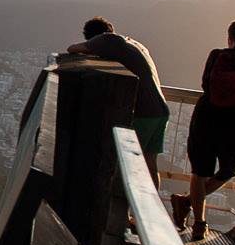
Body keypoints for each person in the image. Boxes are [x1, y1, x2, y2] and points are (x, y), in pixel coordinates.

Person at [172, 19, 235, 240]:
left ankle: (198, 224)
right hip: (231, 122)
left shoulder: (216, 54)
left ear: (229, 37)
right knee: (228, 169)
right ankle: (185, 202)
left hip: (205, 116)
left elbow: (206, 84)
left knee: (199, 171)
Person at [66, 17, 173, 187]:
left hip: (142, 113)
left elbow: (72, 48)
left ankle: (123, 211)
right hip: (159, 110)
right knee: (149, 164)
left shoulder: (108, 40)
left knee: (129, 166)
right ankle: (150, 208)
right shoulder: (134, 44)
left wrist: (91, 49)